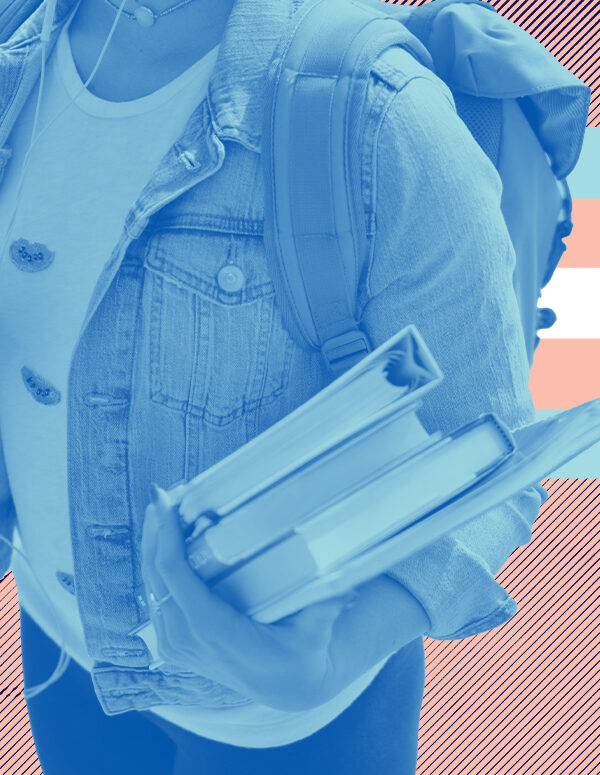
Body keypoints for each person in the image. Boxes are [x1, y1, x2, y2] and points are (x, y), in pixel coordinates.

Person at [0, 0, 547, 772]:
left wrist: (333, 655)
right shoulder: (17, 45)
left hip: (291, 725)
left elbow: (490, 450)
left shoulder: (380, 115)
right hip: (64, 649)